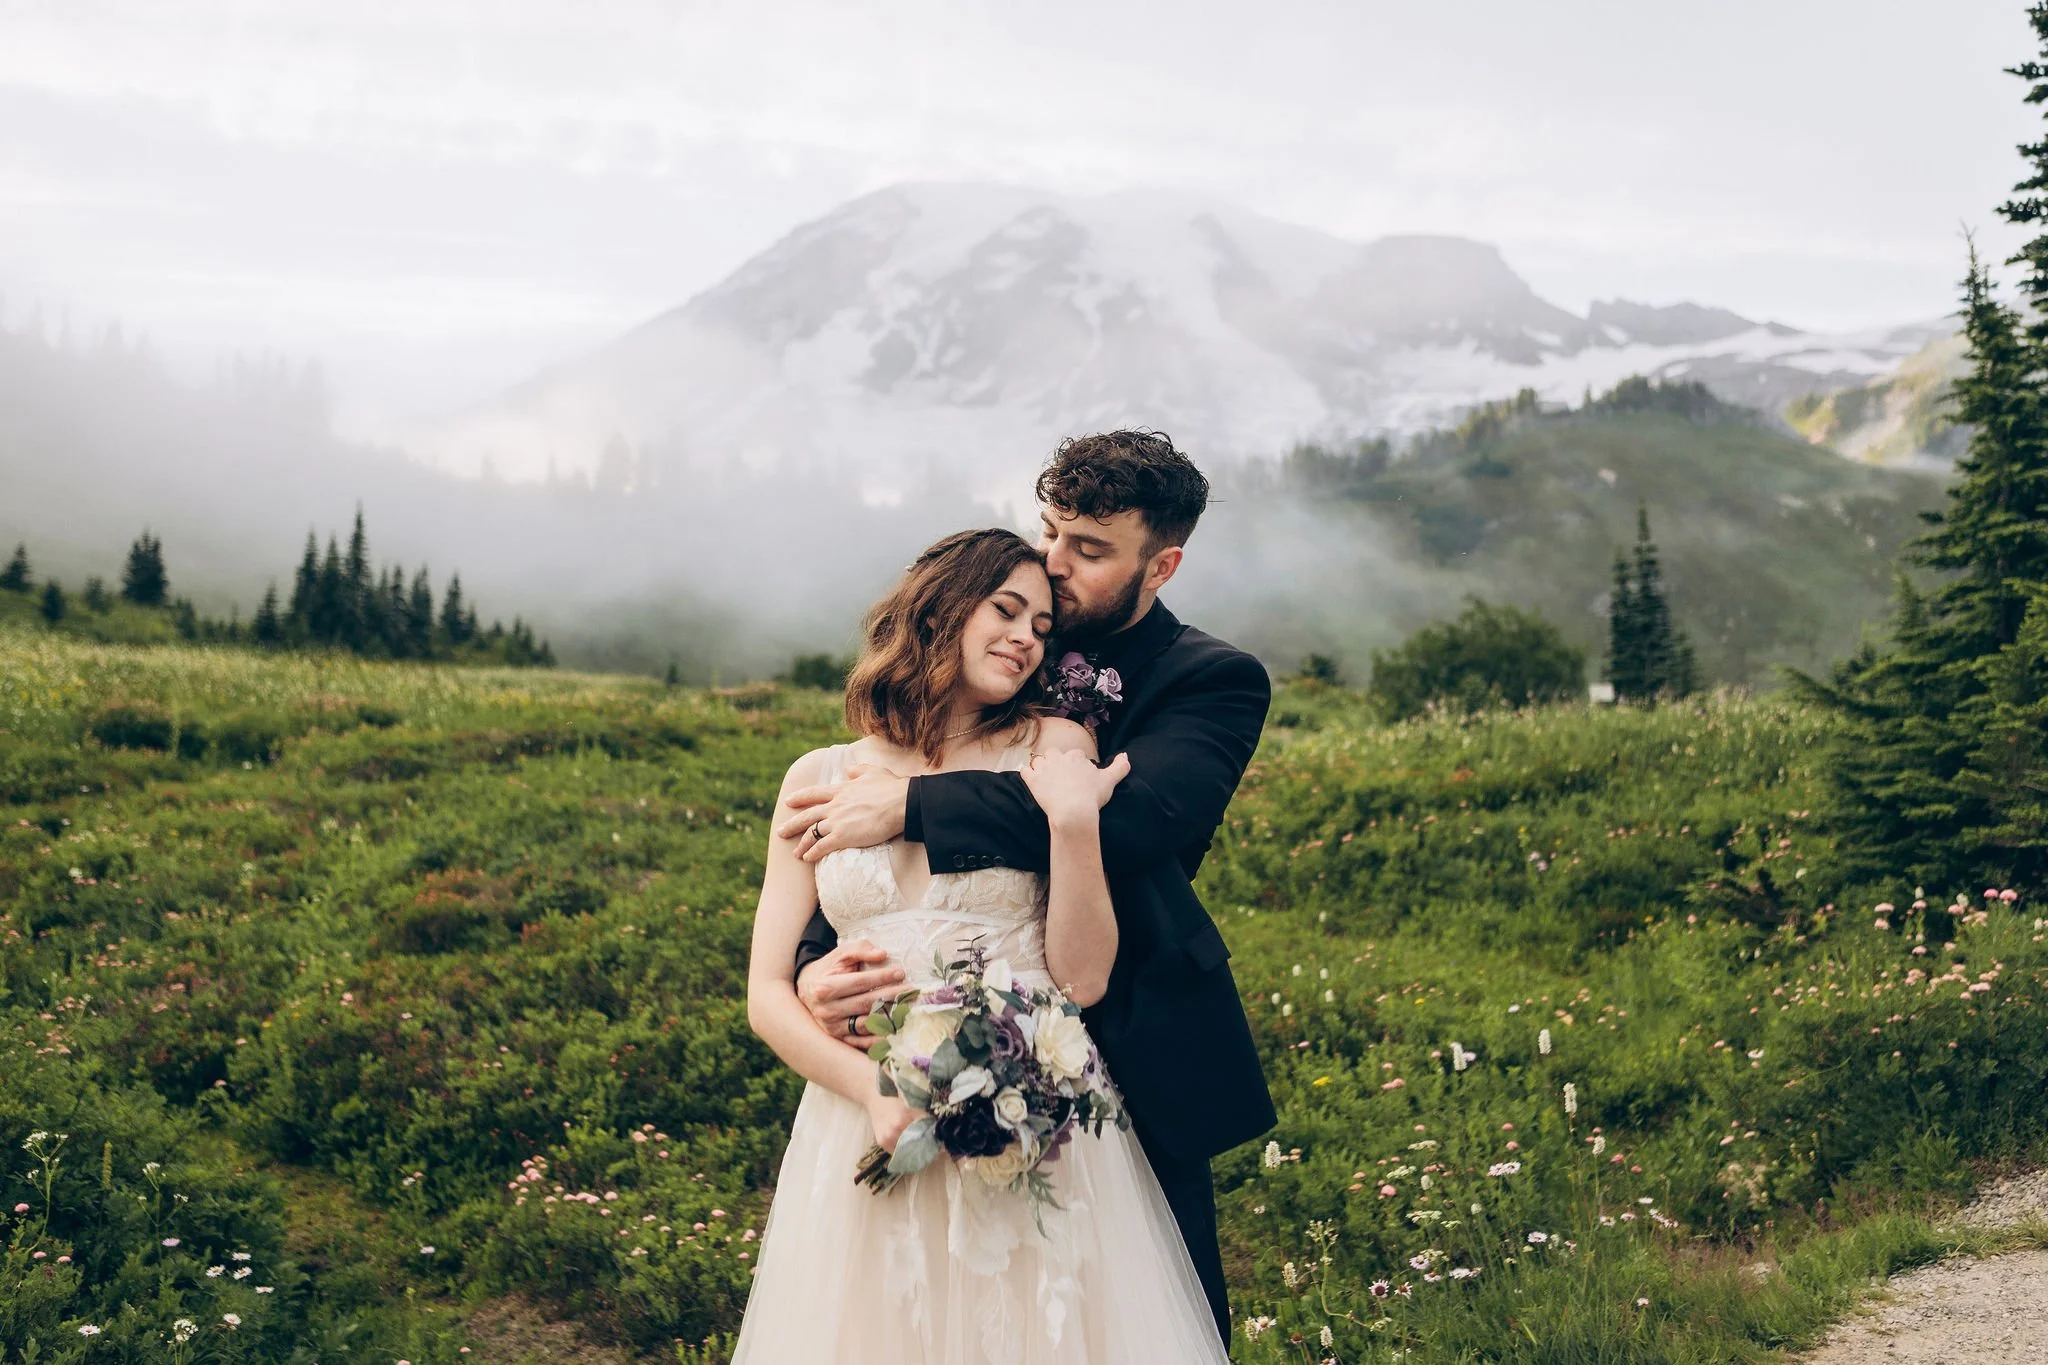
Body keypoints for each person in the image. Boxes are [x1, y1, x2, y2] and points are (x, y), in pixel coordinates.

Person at [780, 430, 1276, 1343]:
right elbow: (876, 845)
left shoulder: (1213, 679)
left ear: (1160, 565)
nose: (1054, 564)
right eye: (1050, 531)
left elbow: (1135, 820)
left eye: (1088, 549)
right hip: (928, 1041)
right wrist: (816, 960)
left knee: (1147, 1316)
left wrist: (912, 807)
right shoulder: (1006, 631)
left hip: (1128, 1032)